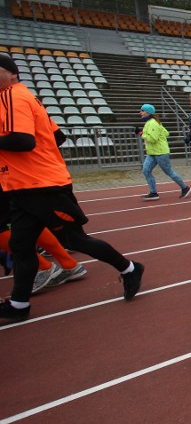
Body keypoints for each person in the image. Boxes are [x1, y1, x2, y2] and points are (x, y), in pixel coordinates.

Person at [0, 54, 144, 322]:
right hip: (24, 186)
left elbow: (22, 141)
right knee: (20, 246)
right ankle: (19, 305)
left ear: (11, 73)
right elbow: (58, 135)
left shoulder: (11, 96)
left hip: (42, 186)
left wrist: (38, 162)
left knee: (74, 239)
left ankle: (130, 268)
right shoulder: (29, 99)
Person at [139, 103, 191, 201]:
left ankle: (185, 188)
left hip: (160, 152)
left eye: (142, 110)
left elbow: (153, 139)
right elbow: (166, 133)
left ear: (148, 112)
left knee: (169, 172)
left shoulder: (153, 123)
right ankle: (153, 193)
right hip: (152, 152)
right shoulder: (152, 122)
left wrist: (141, 134)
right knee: (146, 170)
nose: (140, 112)